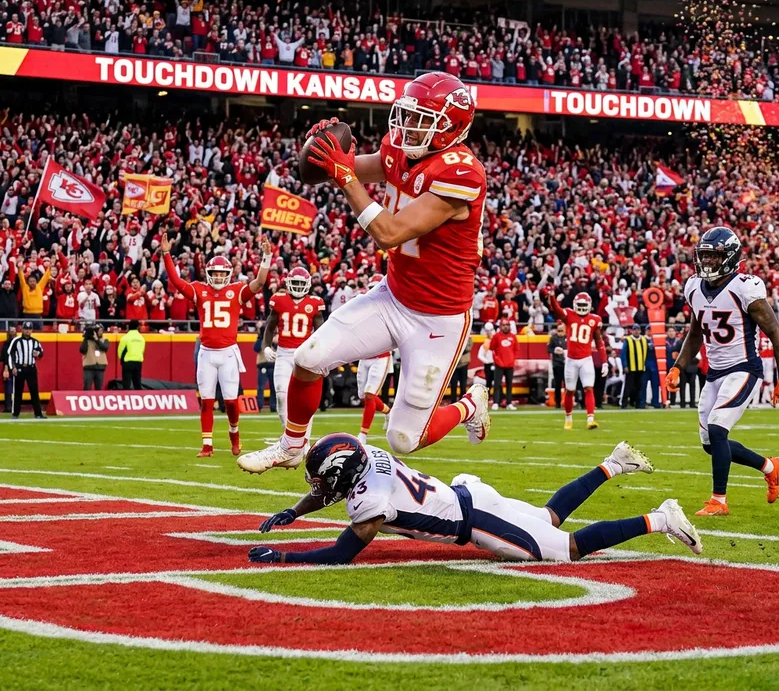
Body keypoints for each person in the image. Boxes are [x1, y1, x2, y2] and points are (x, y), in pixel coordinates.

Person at [238, 72, 490, 474]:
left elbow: (389, 233)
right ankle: (291, 445)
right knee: (308, 358)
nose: (409, 126)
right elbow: (331, 170)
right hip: (393, 296)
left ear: (451, 127)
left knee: (404, 438)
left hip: (437, 319)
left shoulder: (462, 173)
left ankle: (470, 404)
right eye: (408, 114)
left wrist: (345, 176)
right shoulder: (399, 150)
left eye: (422, 119)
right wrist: (322, 152)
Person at [248, 433, 702, 566]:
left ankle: (661, 519)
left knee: (565, 549)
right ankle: (614, 465)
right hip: (469, 493)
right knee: (547, 517)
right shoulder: (371, 457)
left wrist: (284, 557)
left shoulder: (371, 498)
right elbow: (329, 489)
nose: (319, 489)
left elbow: (342, 553)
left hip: (475, 518)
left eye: (322, 481)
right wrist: (294, 510)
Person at [666, 227, 779, 517]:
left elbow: (775, 331)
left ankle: (719, 500)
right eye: (705, 256)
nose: (707, 261)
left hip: (744, 369)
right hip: (715, 372)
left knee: (717, 428)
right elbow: (695, 333)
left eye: (714, 256)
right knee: (710, 444)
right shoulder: (694, 287)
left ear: (731, 257)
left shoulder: (745, 288)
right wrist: (677, 367)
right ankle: (770, 466)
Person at [162, 233, 272, 458]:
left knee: (231, 402)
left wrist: (266, 258)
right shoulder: (199, 290)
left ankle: (235, 435)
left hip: (228, 353)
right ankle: (207, 445)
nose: (219, 277)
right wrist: (166, 254)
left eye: (222, 274)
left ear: (228, 274)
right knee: (206, 401)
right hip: (206, 353)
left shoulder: (236, 291)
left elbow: (260, 282)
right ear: (208, 274)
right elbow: (177, 282)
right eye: (215, 273)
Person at [256, 266, 324, 427]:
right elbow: (269, 327)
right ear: (288, 283)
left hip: (304, 355)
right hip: (284, 354)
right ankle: (288, 432)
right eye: (295, 283)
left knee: (304, 398)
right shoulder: (279, 300)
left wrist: (320, 353)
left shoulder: (315, 303)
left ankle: (304, 436)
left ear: (308, 284)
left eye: (301, 283)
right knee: (281, 393)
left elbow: (321, 332)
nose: (298, 287)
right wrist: (266, 347)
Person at [547, 290, 607, 430]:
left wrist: (604, 361)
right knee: (570, 390)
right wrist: (552, 296)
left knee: (588, 388)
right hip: (571, 360)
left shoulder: (595, 320)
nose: (581, 307)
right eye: (579, 305)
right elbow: (556, 309)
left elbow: (599, 341)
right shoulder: (569, 315)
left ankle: (590, 419)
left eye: (584, 305)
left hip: (586, 359)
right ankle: (568, 418)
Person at [356, 275, 393, 445]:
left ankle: (363, 434)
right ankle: (388, 412)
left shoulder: (390, 310)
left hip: (380, 357)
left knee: (370, 395)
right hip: (365, 357)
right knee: (363, 397)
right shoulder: (362, 309)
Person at [7, 321, 46, 419]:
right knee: (18, 392)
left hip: (31, 368)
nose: (28, 331)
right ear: (22, 329)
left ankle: (38, 414)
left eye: (29, 329)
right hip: (20, 368)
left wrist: (38, 354)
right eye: (26, 329)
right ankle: (15, 414)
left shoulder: (35, 341)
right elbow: (10, 354)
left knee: (34, 391)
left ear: (31, 330)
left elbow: (41, 352)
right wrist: (13, 367)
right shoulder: (16, 340)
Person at [490, 319, 518, 410]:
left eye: (507, 325)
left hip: (510, 365)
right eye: (503, 325)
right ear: (500, 326)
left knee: (509, 385)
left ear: (509, 326)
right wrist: (497, 360)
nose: (505, 327)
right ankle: (496, 402)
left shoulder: (513, 337)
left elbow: (516, 350)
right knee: (497, 384)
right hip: (499, 364)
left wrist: (513, 360)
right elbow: (492, 349)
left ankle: (509, 403)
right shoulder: (496, 336)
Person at [621, 323, 647, 410]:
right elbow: (623, 354)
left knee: (639, 387)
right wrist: (625, 365)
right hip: (631, 368)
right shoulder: (628, 340)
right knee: (628, 387)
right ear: (632, 331)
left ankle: (637, 404)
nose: (636, 331)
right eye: (635, 329)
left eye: (638, 330)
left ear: (640, 331)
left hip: (641, 368)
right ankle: (624, 404)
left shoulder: (644, 340)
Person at [254, 320, 277, 413]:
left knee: (273, 387)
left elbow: (277, 347)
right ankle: (259, 405)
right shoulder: (261, 340)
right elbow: (256, 348)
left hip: (271, 365)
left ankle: (273, 406)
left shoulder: (274, 339)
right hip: (263, 365)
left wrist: (274, 342)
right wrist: (261, 339)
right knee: (261, 387)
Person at [80, 322, 109, 390]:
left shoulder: (105, 340)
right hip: (88, 367)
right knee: (87, 388)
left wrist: (96, 339)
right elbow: (82, 350)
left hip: (100, 367)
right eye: (99, 330)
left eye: (102, 330)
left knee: (99, 388)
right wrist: (86, 337)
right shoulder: (87, 341)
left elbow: (104, 348)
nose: (101, 332)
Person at [118, 320, 146, 391]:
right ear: (137, 327)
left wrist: (122, 361)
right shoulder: (141, 338)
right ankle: (139, 396)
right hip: (138, 362)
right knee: (137, 383)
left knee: (126, 383)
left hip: (127, 362)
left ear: (129, 327)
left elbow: (120, 351)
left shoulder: (125, 337)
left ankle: (126, 396)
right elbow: (142, 350)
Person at [640, 325, 662, 409]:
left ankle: (655, 402)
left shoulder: (655, 340)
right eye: (648, 330)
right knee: (643, 385)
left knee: (655, 385)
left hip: (654, 365)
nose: (649, 332)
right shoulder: (642, 339)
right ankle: (642, 402)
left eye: (650, 330)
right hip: (645, 365)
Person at [547, 321, 567, 408]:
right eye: (559, 330)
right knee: (557, 384)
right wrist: (555, 351)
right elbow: (548, 349)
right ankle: (557, 403)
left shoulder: (568, 338)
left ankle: (568, 402)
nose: (560, 332)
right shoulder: (553, 338)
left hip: (567, 364)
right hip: (557, 364)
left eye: (562, 330)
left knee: (568, 385)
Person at [449, 332, 473, 403]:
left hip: (463, 363)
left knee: (463, 384)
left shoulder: (467, 336)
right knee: (453, 384)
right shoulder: (452, 336)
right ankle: (453, 402)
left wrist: (459, 346)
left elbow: (468, 348)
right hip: (454, 363)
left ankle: (463, 402)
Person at [1, 325, 17, 412]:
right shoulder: (7, 343)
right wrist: (6, 367)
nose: (13, 332)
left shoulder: (17, 342)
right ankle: (9, 407)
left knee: (11, 387)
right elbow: (4, 356)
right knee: (8, 387)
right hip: (9, 367)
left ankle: (10, 407)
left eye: (14, 331)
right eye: (11, 331)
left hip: (15, 366)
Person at [665, 326, 681, 406]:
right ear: (667, 333)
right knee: (666, 384)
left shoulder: (678, 342)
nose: (671, 333)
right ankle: (666, 401)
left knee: (674, 383)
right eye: (669, 331)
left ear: (675, 333)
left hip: (675, 367)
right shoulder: (664, 342)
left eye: (672, 331)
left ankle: (673, 402)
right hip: (666, 366)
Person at [477, 324, 494, 395]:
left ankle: (500, 397)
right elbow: (479, 355)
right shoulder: (485, 343)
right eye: (488, 331)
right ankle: (487, 396)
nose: (489, 332)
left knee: (497, 382)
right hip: (488, 364)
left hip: (497, 364)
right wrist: (487, 362)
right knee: (488, 382)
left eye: (490, 330)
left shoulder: (497, 340)